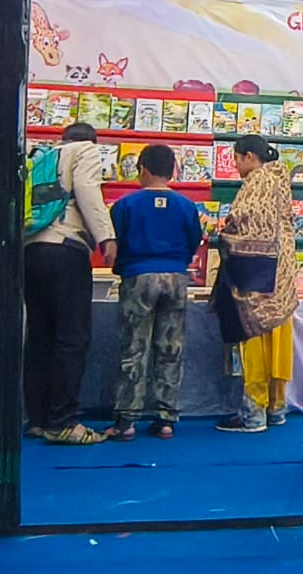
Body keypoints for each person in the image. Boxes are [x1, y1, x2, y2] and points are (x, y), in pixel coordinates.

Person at [24, 121, 117, 445]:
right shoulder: (85, 151)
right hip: (65, 249)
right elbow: (88, 191)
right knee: (72, 337)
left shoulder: (41, 157)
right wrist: (106, 236)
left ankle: (38, 419)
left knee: (40, 337)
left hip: (31, 249)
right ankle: (63, 422)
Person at [108, 143, 203, 441]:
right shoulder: (187, 206)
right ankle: (165, 419)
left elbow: (116, 240)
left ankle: (126, 420)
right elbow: (194, 240)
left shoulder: (125, 205)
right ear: (173, 170)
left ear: (143, 170)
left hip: (138, 275)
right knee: (170, 348)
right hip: (175, 276)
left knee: (133, 348)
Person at [212, 134, 297, 433]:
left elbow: (245, 221)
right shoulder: (280, 180)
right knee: (279, 339)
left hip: (257, 276)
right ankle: (276, 407)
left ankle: (253, 413)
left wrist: (224, 233)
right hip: (282, 274)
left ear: (249, 157)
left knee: (254, 337)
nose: (236, 166)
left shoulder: (257, 182)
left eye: (237, 159)